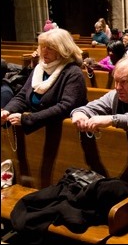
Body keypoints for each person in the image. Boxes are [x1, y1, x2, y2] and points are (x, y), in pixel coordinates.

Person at [1, 28, 90, 187]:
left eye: (50, 47)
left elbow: (65, 107)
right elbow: (23, 95)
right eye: (42, 46)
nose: (44, 51)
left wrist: (27, 119)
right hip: (40, 132)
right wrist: (8, 110)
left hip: (65, 139)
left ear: (63, 50)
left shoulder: (72, 72)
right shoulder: (39, 69)